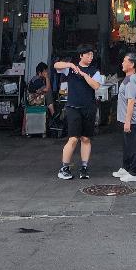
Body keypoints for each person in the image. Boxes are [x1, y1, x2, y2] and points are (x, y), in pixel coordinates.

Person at [54, 45, 102, 180]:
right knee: (73, 138)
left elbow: (96, 86)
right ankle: (64, 167)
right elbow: (56, 65)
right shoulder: (71, 69)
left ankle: (84, 167)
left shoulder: (94, 71)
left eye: (92, 55)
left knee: (86, 138)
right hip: (73, 107)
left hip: (89, 107)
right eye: (88, 55)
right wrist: (70, 64)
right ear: (81, 55)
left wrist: (84, 75)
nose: (90, 57)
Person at [113, 52, 136, 183]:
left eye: (125, 61)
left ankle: (135, 173)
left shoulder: (132, 79)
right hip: (127, 118)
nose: (122, 63)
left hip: (130, 119)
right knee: (127, 145)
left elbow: (132, 101)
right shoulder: (132, 77)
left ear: (132, 64)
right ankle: (126, 167)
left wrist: (128, 121)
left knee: (132, 145)